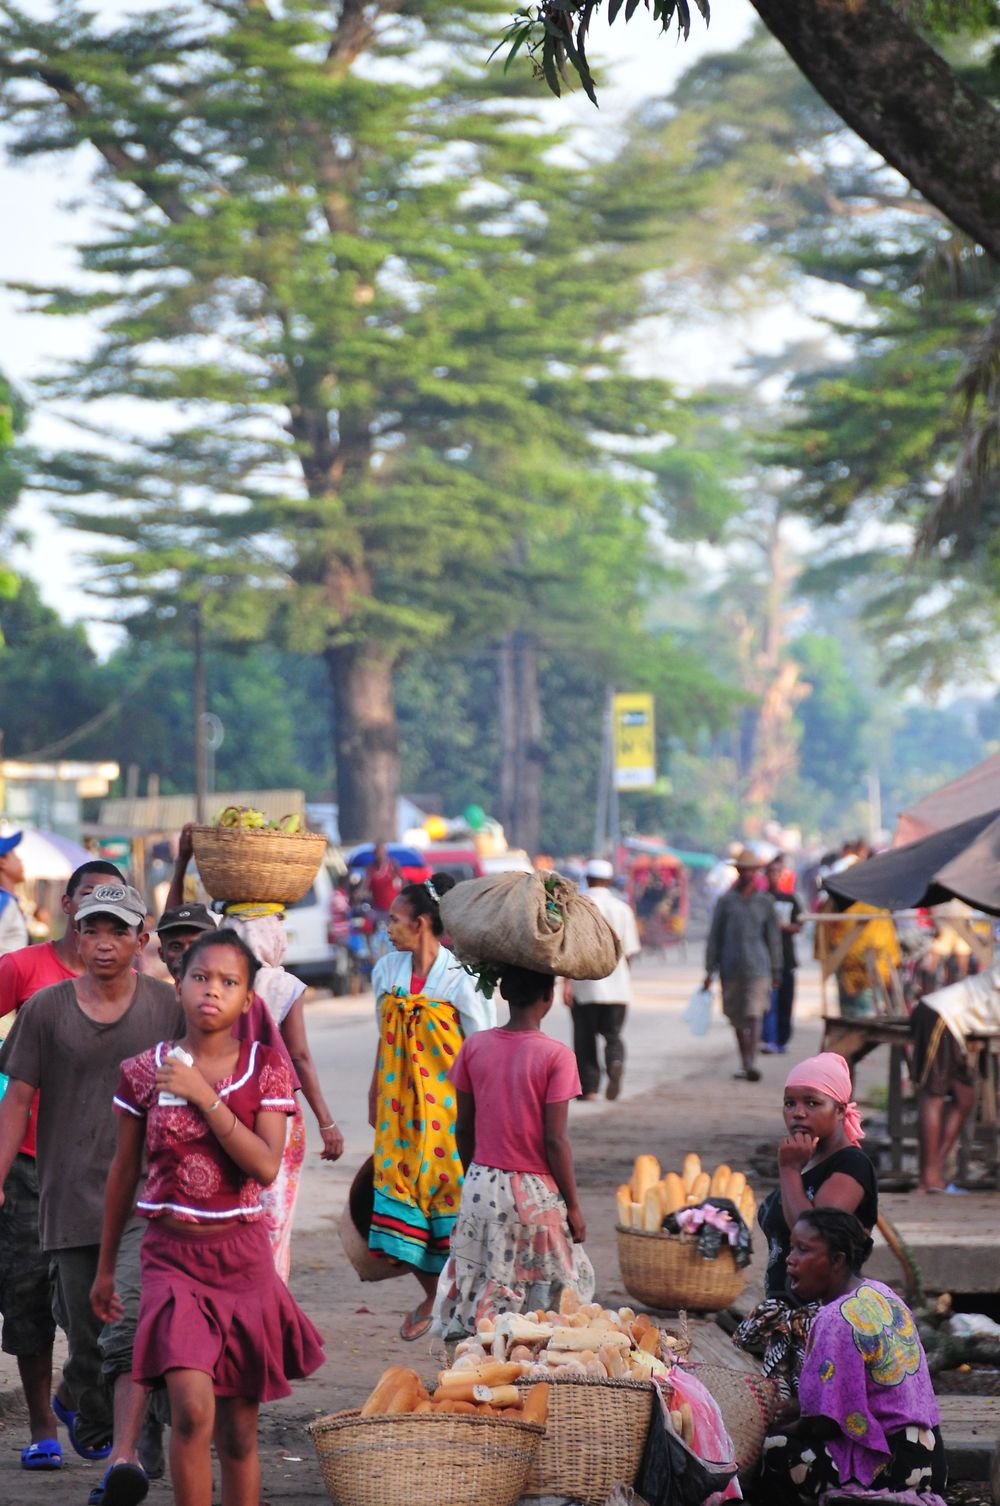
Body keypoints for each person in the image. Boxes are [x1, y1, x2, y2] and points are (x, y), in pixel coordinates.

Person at [92, 929, 325, 1506]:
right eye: (200, 977)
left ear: (250, 999)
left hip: (243, 1260)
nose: (211, 991)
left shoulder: (266, 1068)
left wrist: (203, 1095)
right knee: (192, 1411)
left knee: (239, 1432)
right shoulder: (144, 1071)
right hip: (171, 1260)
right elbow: (123, 1173)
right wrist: (103, 1270)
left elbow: (266, 1166)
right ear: (179, 987)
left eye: (229, 982)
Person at [0, 881, 183, 1506]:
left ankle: (129, 1454)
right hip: (69, 1198)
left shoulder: (169, 1007)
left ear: (140, 939)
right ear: (78, 935)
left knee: (129, 1324)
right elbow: (16, 1102)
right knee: (85, 1338)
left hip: (150, 1198)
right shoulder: (45, 1009)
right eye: (93, 931)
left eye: (117, 932)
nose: (104, 945)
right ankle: (81, 1396)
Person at [0, 859, 124, 1473]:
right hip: (27, 1163)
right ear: (69, 906)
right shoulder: (23, 969)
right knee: (25, 1293)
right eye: (90, 903)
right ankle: (43, 1428)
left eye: (115, 908)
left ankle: (78, 1395)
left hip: (104, 1169)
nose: (101, 924)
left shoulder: (138, 979)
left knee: (99, 1303)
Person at [433, 963, 594, 1339]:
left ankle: (472, 1369)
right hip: (533, 1193)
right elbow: (555, 1141)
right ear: (548, 998)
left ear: (502, 993)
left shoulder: (475, 1046)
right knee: (552, 1290)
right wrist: (573, 1205)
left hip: (480, 1183)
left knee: (479, 1284)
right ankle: (530, 1376)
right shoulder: (557, 1056)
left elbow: (463, 1127)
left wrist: (478, 1173)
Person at [367, 873, 495, 1341]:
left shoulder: (462, 980)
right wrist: (373, 1091)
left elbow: (481, 1049)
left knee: (448, 1206)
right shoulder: (386, 972)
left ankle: (454, 1299)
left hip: (448, 1115)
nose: (387, 927)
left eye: (395, 919)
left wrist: (484, 1115)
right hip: (397, 1113)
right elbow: (383, 1040)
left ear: (421, 923)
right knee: (395, 1202)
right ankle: (435, 1292)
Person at [760, 1208, 946, 1505]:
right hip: (931, 1460)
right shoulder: (882, 1294)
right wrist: (801, 1406)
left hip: (891, 1466)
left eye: (803, 1250)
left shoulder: (834, 1318)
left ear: (837, 1260)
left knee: (775, 1448)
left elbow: (829, 1424)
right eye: (792, 1247)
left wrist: (778, 1427)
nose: (790, 1258)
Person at [734, 1052, 878, 1394]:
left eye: (812, 1102)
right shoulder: (806, 1162)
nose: (798, 1112)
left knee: (812, 1419)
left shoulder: (851, 1166)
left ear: (841, 1110)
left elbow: (811, 1233)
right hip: (788, 1317)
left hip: (824, 1321)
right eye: (789, 1103)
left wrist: (787, 1170)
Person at [225, 904, 345, 1279]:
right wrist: (326, 1121)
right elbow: (300, 1056)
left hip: (225, 1107)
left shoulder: (216, 978)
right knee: (274, 1212)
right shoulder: (283, 985)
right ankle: (268, 1292)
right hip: (278, 1113)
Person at [911, 965, 1000, 1193]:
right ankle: (927, 1180)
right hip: (939, 1015)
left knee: (965, 1097)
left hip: (953, 1025)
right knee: (934, 1094)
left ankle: (935, 1172)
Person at [564, 858, 640, 1101]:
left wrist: (566, 983)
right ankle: (615, 1061)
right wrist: (622, 977)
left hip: (585, 986)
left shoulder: (576, 907)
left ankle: (590, 1089)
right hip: (617, 987)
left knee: (584, 1038)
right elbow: (629, 952)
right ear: (608, 881)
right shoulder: (623, 909)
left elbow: (566, 950)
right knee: (613, 1034)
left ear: (586, 879)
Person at [703, 847, 781, 1081]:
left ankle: (750, 1062)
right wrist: (709, 970)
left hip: (759, 968)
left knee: (754, 1014)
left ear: (757, 872)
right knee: (736, 1016)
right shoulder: (726, 902)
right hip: (730, 967)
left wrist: (777, 969)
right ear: (738, 871)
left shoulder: (765, 902)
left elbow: (773, 939)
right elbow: (714, 937)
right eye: (744, 870)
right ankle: (744, 1060)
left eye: (752, 870)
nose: (748, 874)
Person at [761, 855, 805, 1056]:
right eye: (771, 872)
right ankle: (766, 1038)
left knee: (785, 1001)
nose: (774, 876)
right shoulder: (760, 900)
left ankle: (781, 1039)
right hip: (765, 959)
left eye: (778, 872)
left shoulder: (790, 900)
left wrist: (783, 927)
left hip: (786, 957)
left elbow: (800, 925)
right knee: (766, 1002)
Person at [0, 830, 29, 956]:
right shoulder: (2, 902)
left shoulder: (8, 901)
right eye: (14, 854)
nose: (20, 860)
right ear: (2, 862)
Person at [362, 840, 403, 916]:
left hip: (392, 909)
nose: (380, 854)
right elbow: (365, 886)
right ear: (374, 854)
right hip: (377, 909)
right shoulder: (370, 869)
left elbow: (403, 881)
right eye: (378, 852)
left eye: (382, 851)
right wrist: (360, 893)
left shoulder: (392, 865)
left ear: (386, 852)